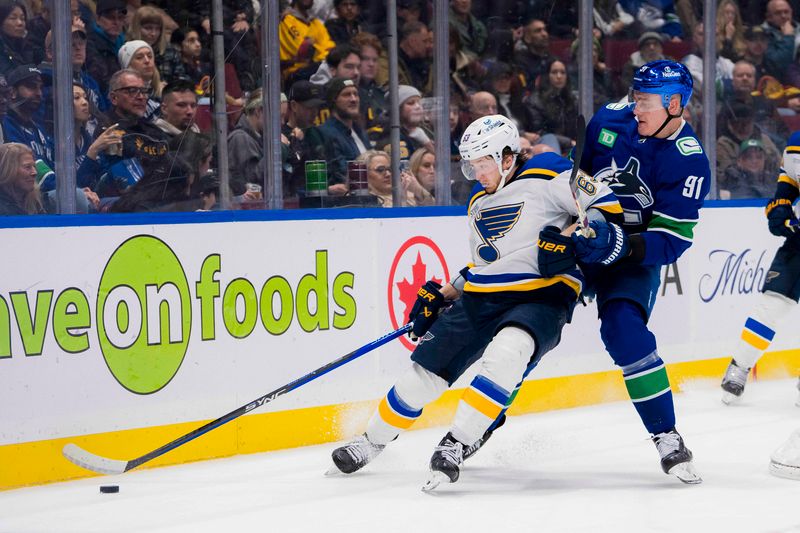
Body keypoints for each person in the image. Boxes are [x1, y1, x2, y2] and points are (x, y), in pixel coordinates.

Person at [328, 115, 622, 488]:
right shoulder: (479, 201)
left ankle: (457, 443)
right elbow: (485, 262)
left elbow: (605, 207)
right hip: (484, 294)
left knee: (508, 353)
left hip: (544, 294)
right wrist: (443, 294)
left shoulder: (548, 171)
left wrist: (570, 236)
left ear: (505, 157)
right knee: (422, 377)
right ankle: (372, 440)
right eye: (470, 165)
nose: (476, 173)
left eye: (482, 163)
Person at [569, 60, 709, 483]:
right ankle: (472, 430)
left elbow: (671, 241)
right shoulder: (609, 120)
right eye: (634, 97)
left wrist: (617, 245)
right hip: (579, 240)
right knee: (526, 326)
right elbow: (572, 180)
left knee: (623, 331)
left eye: (644, 101)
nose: (635, 108)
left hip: (631, 256)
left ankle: (667, 435)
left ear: (674, 103)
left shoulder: (689, 163)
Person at [720, 131, 800, 405]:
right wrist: (781, 215)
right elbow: (784, 194)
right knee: (771, 306)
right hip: (797, 247)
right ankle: (739, 368)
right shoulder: (796, 146)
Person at [0, 142, 45, 215]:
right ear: (7, 170)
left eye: (34, 166)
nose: (35, 172)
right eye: (27, 167)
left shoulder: (41, 203)